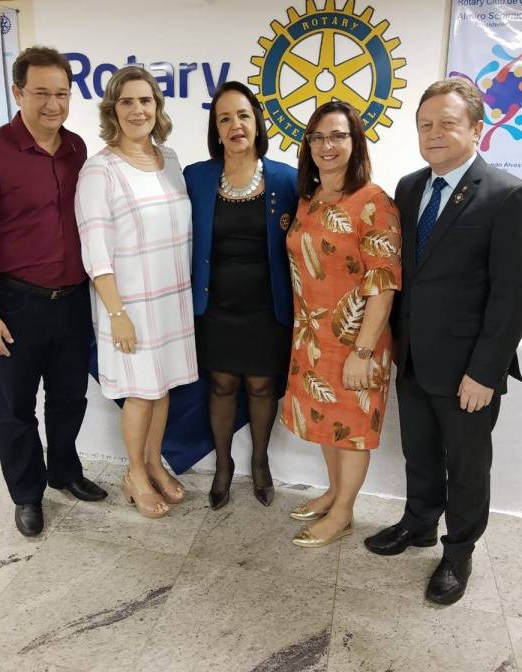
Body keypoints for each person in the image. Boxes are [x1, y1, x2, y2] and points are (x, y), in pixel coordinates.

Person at [364, 78, 522, 605]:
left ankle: (459, 551)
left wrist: (485, 372)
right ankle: (419, 523)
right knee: (420, 452)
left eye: (447, 124)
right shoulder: (409, 187)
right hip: (412, 357)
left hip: (467, 370)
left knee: (468, 466)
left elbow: (511, 298)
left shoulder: (505, 194)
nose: (433, 133)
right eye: (425, 125)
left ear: (476, 129)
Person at [0, 46, 106, 538]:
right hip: (15, 304)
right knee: (17, 408)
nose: (53, 104)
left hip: (73, 301)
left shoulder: (77, 149)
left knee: (70, 398)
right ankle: (27, 494)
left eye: (61, 93)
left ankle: (64, 471)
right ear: (18, 92)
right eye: (41, 93)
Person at [75, 66, 197, 520]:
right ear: (113, 110)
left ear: (157, 107)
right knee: (140, 394)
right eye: (126, 101)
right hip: (128, 306)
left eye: (145, 100)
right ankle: (135, 474)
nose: (137, 110)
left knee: (161, 389)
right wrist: (117, 313)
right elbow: (95, 250)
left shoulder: (171, 159)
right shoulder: (99, 170)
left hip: (170, 300)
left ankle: (154, 462)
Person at [282, 101, 401, 548]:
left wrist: (363, 352)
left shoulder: (374, 202)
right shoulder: (309, 198)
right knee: (327, 422)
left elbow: (383, 284)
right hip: (313, 336)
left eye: (337, 136)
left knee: (352, 431)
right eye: (317, 137)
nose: (326, 146)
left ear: (355, 143)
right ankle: (334, 493)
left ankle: (344, 513)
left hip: (357, 341)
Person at [184, 81, 298, 510]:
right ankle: (223, 466)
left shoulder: (286, 178)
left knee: (263, 385)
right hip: (215, 305)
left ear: (258, 123)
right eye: (225, 118)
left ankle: (260, 461)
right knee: (222, 383)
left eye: (243, 116)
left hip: (267, 306)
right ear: (215, 130)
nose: (235, 125)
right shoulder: (196, 177)